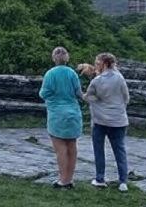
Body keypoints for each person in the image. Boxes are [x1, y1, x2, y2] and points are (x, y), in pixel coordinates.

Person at [83, 52, 130, 191]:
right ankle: (123, 181)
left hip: (100, 120)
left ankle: (100, 178)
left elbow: (88, 97)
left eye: (97, 63)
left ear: (103, 64)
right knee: (119, 150)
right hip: (119, 120)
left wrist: (94, 100)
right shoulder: (120, 78)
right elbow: (126, 97)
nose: (96, 66)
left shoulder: (97, 81)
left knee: (99, 150)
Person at [39, 47, 83, 189]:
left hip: (57, 113)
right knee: (72, 147)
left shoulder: (50, 74)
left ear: (53, 58)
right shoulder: (72, 73)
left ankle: (62, 179)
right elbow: (78, 92)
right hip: (73, 112)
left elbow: (44, 93)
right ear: (67, 58)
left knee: (60, 149)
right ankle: (69, 178)